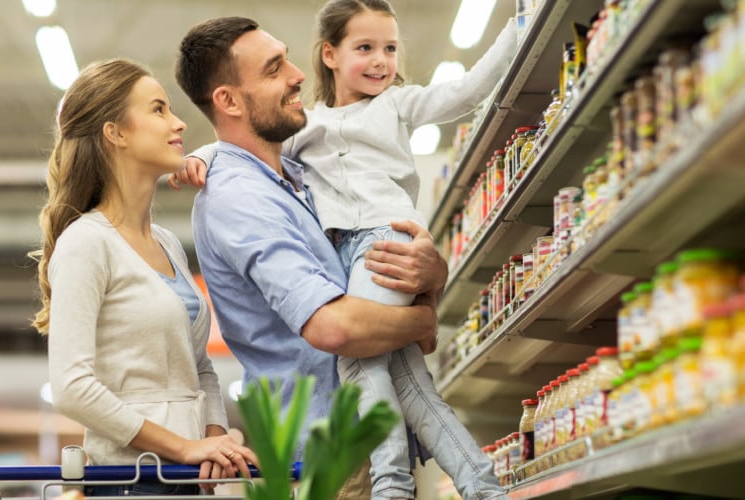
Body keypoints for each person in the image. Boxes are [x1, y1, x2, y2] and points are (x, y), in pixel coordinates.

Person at [174, 1, 516, 498]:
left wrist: (432, 276)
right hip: (333, 448)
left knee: (414, 387)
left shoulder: (296, 172)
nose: (296, 74)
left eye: (390, 48)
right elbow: (336, 330)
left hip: (351, 423)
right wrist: (423, 318)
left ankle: (479, 487)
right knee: (383, 372)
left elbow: (465, 91)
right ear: (227, 100)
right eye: (274, 68)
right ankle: (415, 485)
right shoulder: (240, 194)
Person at [29, 58, 257, 497]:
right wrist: (184, 447)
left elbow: (200, 368)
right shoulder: (86, 243)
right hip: (131, 482)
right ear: (115, 133)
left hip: (187, 482)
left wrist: (214, 442)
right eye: (158, 109)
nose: (178, 123)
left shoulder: (167, 243)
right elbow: (71, 389)